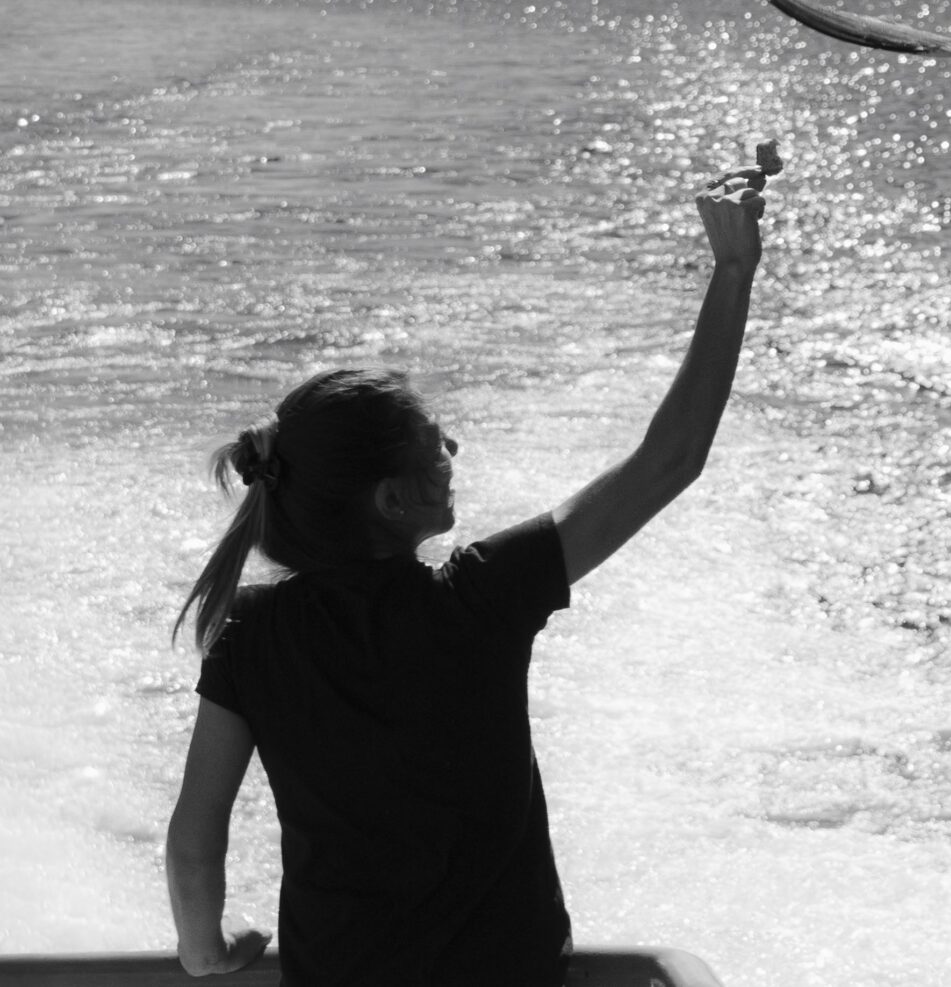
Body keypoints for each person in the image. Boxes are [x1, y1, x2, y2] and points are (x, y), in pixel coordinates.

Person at [163, 143, 777, 984]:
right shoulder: (482, 596)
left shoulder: (250, 633)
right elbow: (669, 459)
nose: (452, 447)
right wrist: (734, 270)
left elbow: (194, 841)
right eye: (434, 442)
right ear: (390, 498)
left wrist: (206, 949)